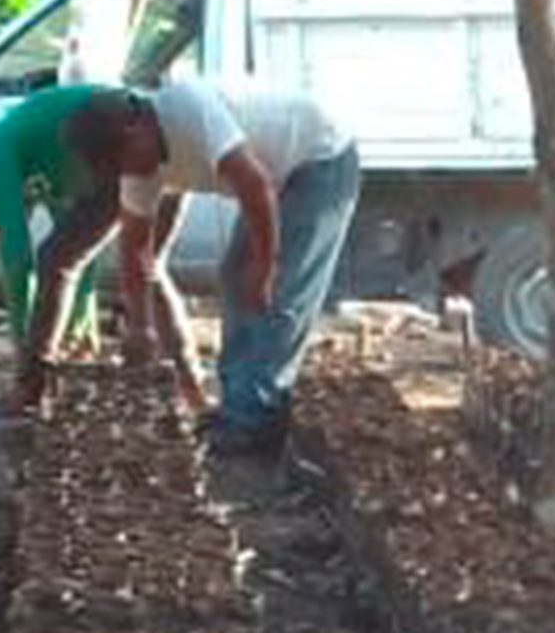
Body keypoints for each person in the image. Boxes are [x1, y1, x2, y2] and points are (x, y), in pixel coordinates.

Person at [77, 79, 361, 454]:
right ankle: (236, 406)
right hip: (273, 177)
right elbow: (135, 253)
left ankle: (253, 420)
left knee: (277, 294)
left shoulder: (186, 106)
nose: (128, 173)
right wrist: (140, 327)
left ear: (135, 128)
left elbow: (254, 185)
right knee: (233, 278)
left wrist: (265, 268)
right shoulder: (136, 166)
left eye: (123, 160)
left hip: (320, 157)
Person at [0, 82, 113, 364]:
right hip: (122, 129)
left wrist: (24, 344)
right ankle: (76, 342)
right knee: (71, 251)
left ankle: (43, 355)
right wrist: (81, 328)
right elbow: (80, 252)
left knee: (57, 257)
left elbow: (17, 261)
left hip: (106, 122)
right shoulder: (40, 166)